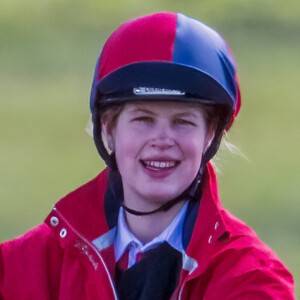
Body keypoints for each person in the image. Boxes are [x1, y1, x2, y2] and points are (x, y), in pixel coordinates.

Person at [0, 12, 295, 300]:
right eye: (143, 119)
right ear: (108, 128)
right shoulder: (27, 266)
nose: (162, 140)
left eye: (183, 121)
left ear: (210, 136)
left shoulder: (252, 279)